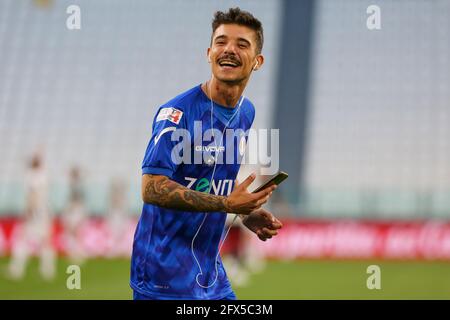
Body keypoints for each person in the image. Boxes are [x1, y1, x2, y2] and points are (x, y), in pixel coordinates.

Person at [130, 7, 282, 300]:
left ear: (258, 61)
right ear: (209, 52)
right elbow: (151, 188)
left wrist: (246, 213)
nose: (229, 50)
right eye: (221, 41)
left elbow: (210, 180)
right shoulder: (177, 113)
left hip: (210, 275)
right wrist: (227, 203)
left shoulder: (245, 112)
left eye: (242, 44)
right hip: (164, 279)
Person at [8, 152, 55, 280]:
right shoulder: (43, 175)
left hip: (35, 212)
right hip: (44, 211)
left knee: (23, 239)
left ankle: (17, 269)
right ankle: (48, 270)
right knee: (45, 241)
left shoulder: (32, 177)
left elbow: (32, 195)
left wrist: (29, 212)